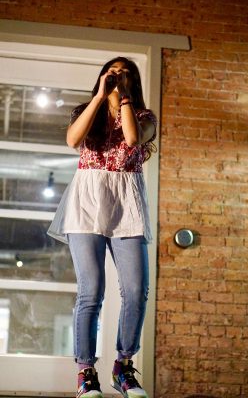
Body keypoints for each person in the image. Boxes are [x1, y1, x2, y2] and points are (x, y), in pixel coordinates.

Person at [48, 56, 157, 398]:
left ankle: (123, 367)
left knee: (136, 290)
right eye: (114, 72)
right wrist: (99, 96)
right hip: (87, 201)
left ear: (133, 81)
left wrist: (123, 97)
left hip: (126, 203)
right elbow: (71, 140)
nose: (118, 77)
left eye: (126, 74)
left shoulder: (144, 117)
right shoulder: (87, 108)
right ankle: (85, 373)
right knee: (91, 291)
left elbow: (132, 138)